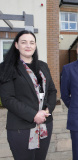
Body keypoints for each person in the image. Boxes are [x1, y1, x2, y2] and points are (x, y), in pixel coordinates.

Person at [0, 30, 57, 160]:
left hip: (45, 123)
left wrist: (47, 110)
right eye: (24, 42)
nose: (28, 46)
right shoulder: (7, 67)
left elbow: (52, 91)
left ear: (35, 46)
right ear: (16, 45)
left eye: (32, 42)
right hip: (21, 128)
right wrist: (33, 115)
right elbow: (8, 99)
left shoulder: (43, 66)